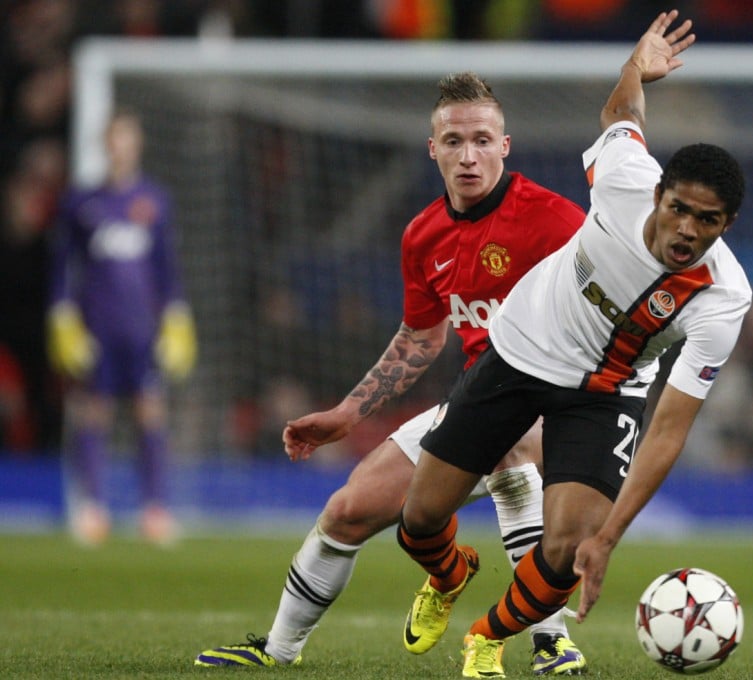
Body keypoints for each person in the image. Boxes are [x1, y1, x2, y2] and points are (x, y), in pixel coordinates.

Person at [195, 72, 590, 675]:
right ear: (432, 149)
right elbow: (420, 338)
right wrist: (345, 414)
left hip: (556, 402)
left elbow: (609, 311)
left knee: (511, 447)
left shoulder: (556, 222)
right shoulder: (423, 235)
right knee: (347, 511)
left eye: (482, 140)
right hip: (479, 401)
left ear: (505, 146)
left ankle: (551, 642)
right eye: (454, 141)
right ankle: (279, 649)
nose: (468, 155)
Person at [396, 11, 752, 678]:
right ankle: (449, 576)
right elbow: (621, 110)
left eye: (706, 222)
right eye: (677, 208)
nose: (685, 229)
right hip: (523, 351)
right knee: (417, 522)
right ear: (659, 192)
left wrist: (611, 536)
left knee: (568, 546)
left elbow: (670, 431)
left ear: (726, 225)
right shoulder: (622, 180)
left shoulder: (723, 297)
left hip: (607, 391)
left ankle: (487, 638)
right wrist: (636, 65)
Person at [47, 109, 197, 546]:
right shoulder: (81, 202)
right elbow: (63, 266)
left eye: (128, 140)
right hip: (97, 326)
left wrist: (177, 315)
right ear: (105, 144)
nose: (121, 148)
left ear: (137, 145)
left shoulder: (155, 200)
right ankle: (91, 508)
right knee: (93, 411)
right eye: (114, 140)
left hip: (142, 327)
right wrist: (61, 315)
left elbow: (166, 268)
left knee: (150, 410)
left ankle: (155, 509)